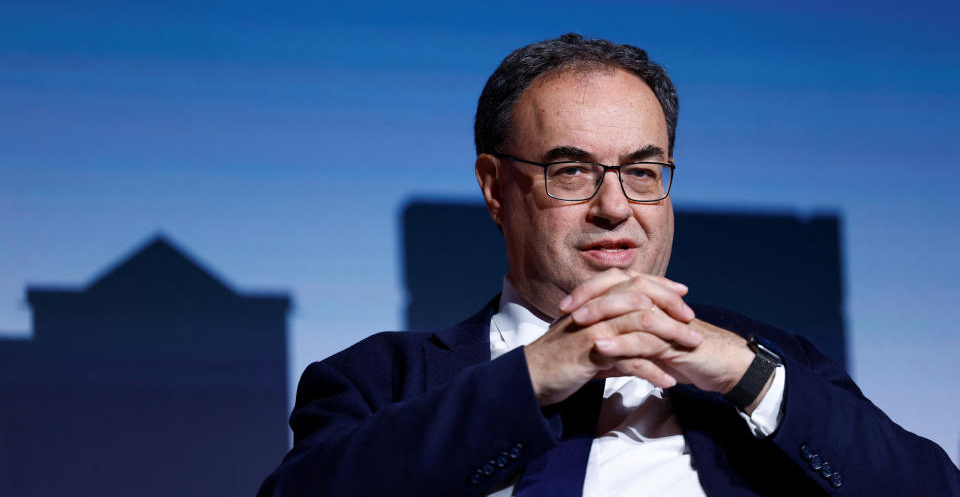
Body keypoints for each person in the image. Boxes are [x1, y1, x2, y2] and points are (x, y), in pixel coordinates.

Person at [258, 34, 960, 496]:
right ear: (495, 187)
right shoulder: (380, 378)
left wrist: (746, 376)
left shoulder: (772, 362)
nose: (615, 208)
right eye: (571, 171)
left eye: (643, 172)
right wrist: (533, 378)